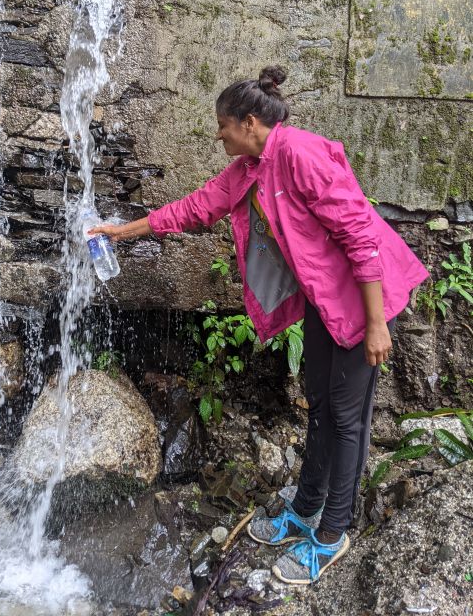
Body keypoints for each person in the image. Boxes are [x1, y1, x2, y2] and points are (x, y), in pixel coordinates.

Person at [89, 65, 429, 584]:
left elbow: (360, 235)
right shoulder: (251, 167)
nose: (217, 135)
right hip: (325, 302)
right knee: (320, 404)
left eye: (222, 126)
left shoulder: (300, 152)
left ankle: (333, 533)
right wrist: (121, 231)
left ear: (248, 122)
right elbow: (196, 208)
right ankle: (306, 507)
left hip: (363, 300)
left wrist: (378, 322)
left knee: (347, 418)